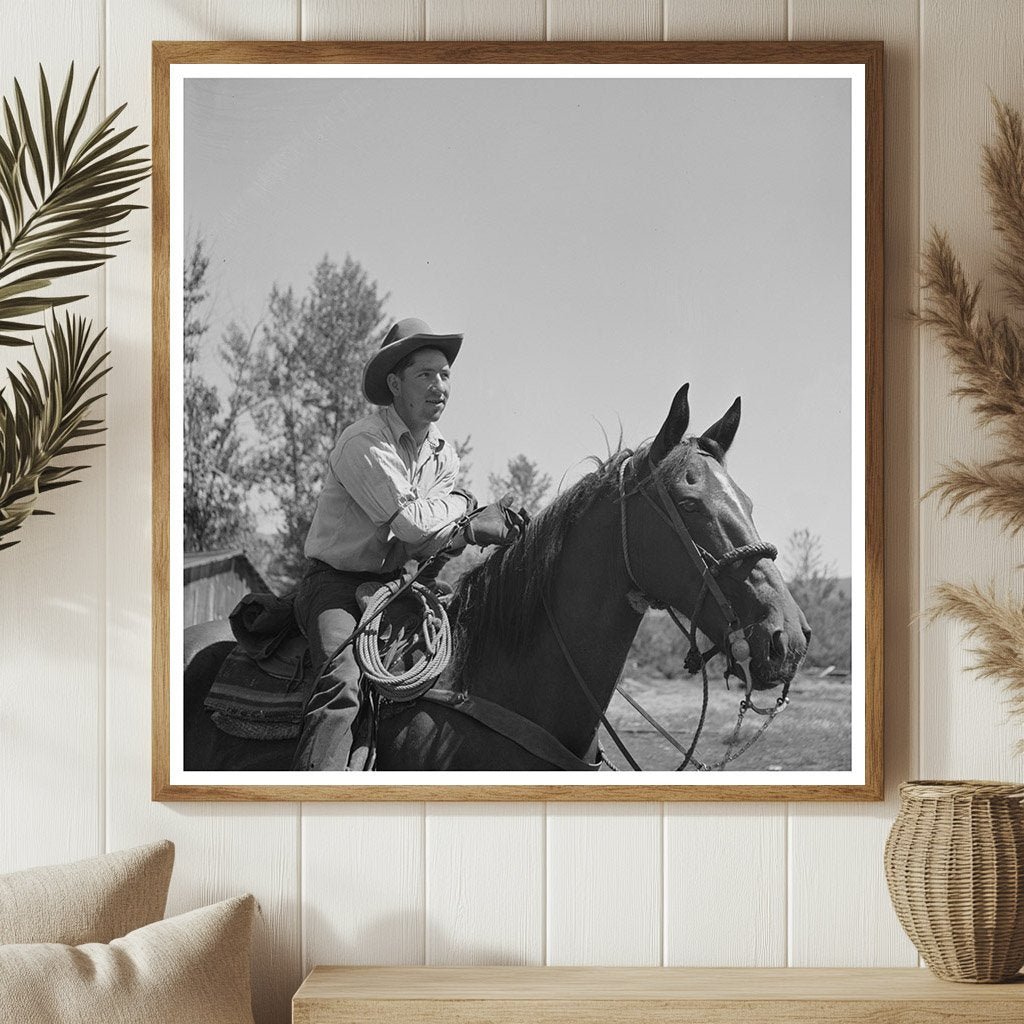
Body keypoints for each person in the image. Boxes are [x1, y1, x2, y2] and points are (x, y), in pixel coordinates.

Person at [291, 317, 525, 771]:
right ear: (395, 383)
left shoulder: (444, 453)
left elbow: (431, 539)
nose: (440, 386)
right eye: (425, 375)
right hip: (335, 587)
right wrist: (465, 508)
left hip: (400, 585)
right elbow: (416, 525)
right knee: (341, 682)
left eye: (445, 375)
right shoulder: (364, 442)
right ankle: (315, 798)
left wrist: (465, 528)